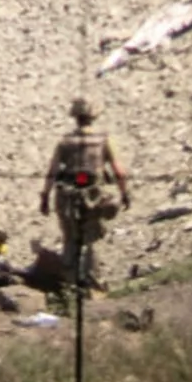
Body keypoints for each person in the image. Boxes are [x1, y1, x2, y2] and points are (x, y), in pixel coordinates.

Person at [39, 97, 131, 293]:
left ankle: (70, 284)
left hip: (66, 197)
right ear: (93, 116)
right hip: (94, 195)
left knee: (70, 238)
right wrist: (125, 193)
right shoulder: (103, 140)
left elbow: (52, 172)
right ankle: (93, 284)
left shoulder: (65, 142)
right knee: (90, 239)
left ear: (75, 117)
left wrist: (45, 197)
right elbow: (119, 171)